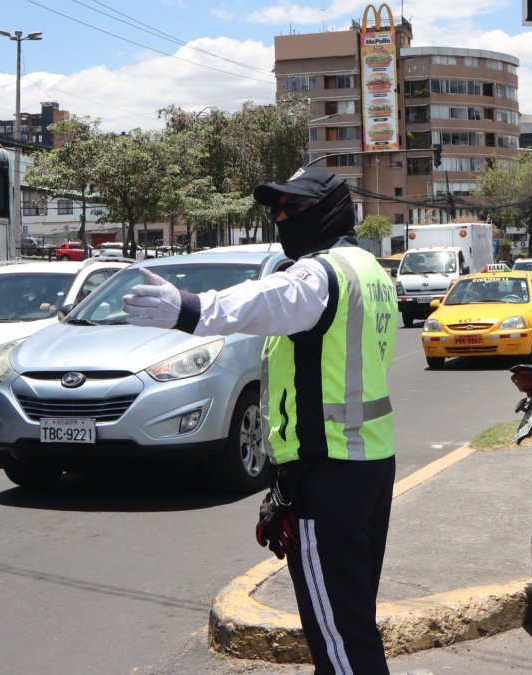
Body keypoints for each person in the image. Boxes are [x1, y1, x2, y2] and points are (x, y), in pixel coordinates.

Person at [119, 167, 397, 674]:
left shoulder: (319, 273)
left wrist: (188, 307)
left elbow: (265, 299)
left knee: (340, 642)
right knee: (348, 621)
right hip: (370, 464)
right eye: (278, 209)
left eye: (295, 208)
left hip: (326, 471)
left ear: (330, 210)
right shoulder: (371, 271)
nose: (281, 217)